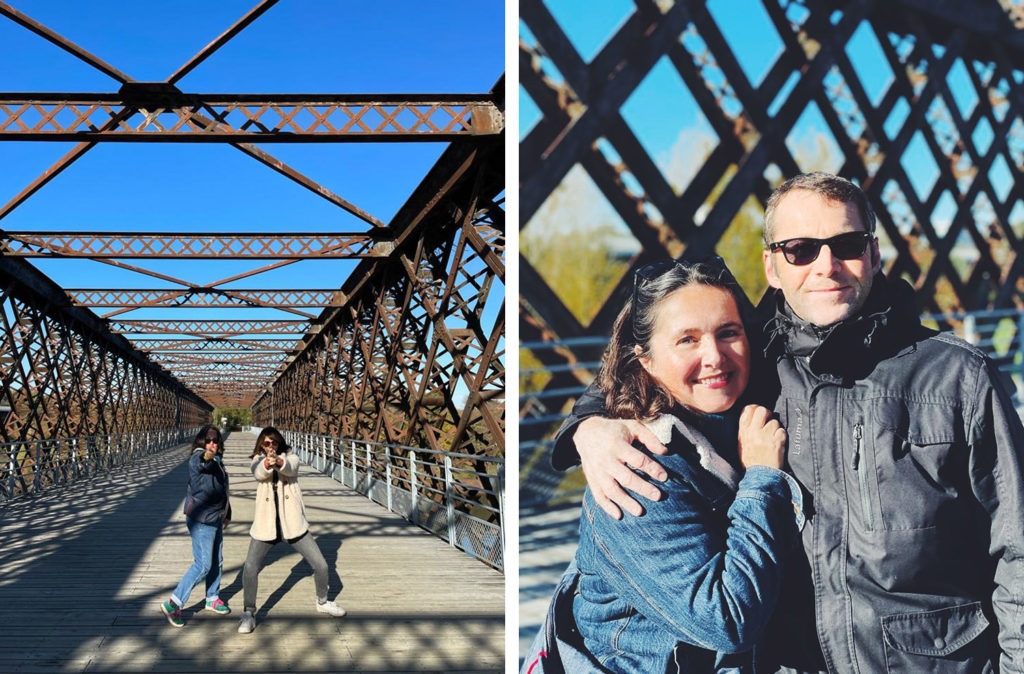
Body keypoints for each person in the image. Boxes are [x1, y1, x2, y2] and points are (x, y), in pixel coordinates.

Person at [554, 172, 1024, 672]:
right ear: (772, 267)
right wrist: (588, 428)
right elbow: (662, 365)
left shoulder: (958, 375)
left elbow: (1017, 545)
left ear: (875, 253)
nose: (827, 265)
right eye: (800, 249)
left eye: (848, 244)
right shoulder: (756, 364)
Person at [523, 257, 805, 673]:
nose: (714, 355)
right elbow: (725, 621)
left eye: (728, 333)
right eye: (687, 340)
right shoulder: (636, 469)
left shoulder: (735, 420)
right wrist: (762, 478)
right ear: (646, 360)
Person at [237, 426, 346, 634]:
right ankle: (249, 613)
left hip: (293, 524)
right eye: (267, 443)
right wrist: (267, 463)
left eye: (274, 443)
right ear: (261, 444)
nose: (271, 446)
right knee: (250, 568)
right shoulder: (257, 460)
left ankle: (322, 602)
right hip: (266, 526)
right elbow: (258, 473)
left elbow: (292, 468)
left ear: (280, 443)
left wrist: (278, 461)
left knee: (321, 565)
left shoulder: (291, 457)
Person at [160, 425, 232, 627]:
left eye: (216, 440)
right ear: (201, 441)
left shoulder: (218, 461)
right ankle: (174, 602)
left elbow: (222, 489)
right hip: (201, 519)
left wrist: (228, 512)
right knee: (203, 565)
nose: (212, 444)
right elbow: (202, 464)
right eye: (208, 440)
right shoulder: (197, 457)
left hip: (215, 516)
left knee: (217, 560)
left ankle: (212, 597)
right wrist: (207, 456)